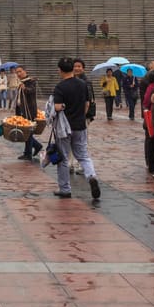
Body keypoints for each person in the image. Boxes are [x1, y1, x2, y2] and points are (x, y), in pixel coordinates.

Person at [50, 57, 101, 200]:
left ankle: (65, 189)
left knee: (63, 158)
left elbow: (57, 107)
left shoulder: (60, 87)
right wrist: (80, 116)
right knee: (83, 155)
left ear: (60, 70)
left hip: (64, 127)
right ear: (73, 68)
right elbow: (87, 104)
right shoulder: (82, 84)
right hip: (80, 125)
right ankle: (91, 176)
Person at [13, 65, 41, 160]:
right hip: (21, 110)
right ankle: (35, 147)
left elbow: (31, 91)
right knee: (26, 132)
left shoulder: (31, 81)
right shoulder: (20, 82)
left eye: (20, 71)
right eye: (17, 72)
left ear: (25, 71)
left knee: (28, 132)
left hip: (29, 111)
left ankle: (28, 153)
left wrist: (25, 88)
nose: (18, 74)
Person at [141, 62, 154, 176]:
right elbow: (146, 102)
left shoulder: (150, 85)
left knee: (152, 140)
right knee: (151, 140)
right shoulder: (150, 85)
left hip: (150, 115)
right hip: (150, 115)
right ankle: (152, 163)